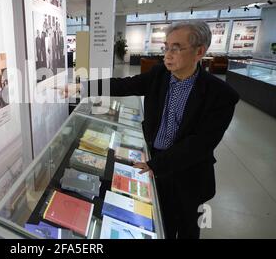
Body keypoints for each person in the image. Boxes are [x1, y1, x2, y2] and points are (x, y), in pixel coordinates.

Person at [64, 21, 239, 239]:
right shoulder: (160, 75)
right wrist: (82, 87)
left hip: (188, 175)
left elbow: (200, 144)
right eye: (166, 47)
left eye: (176, 48)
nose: (168, 54)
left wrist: (155, 165)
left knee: (187, 229)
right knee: (159, 222)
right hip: (154, 165)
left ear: (199, 51)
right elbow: (124, 84)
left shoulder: (221, 95)